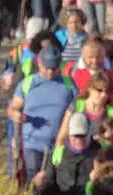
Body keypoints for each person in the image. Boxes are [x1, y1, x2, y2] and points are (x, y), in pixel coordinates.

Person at [9, 45, 76, 179]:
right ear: (39, 63)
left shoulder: (68, 85)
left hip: (59, 146)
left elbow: (77, 109)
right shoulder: (27, 83)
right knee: (34, 181)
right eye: (47, 68)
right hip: (32, 143)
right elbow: (13, 107)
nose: (50, 72)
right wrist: (16, 114)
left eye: (54, 68)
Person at [34, 112, 101, 195]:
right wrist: (39, 185)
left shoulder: (99, 154)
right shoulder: (58, 155)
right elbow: (47, 191)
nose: (79, 140)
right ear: (69, 135)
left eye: (83, 135)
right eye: (76, 136)